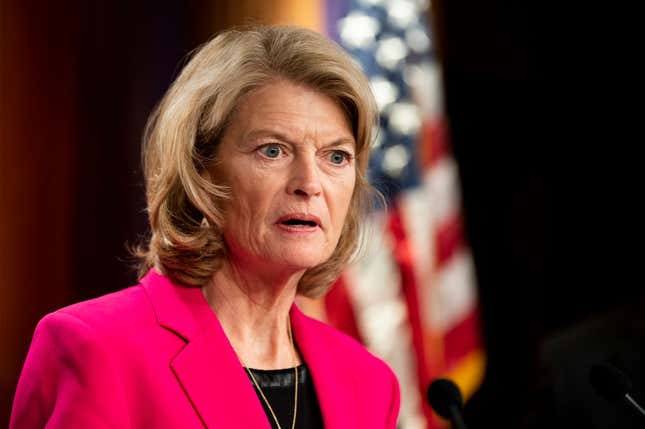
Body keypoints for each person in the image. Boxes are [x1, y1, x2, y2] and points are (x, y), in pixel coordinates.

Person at [9, 25, 400, 428]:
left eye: (336, 157)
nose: (309, 184)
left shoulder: (368, 383)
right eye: (273, 150)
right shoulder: (98, 349)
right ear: (201, 172)